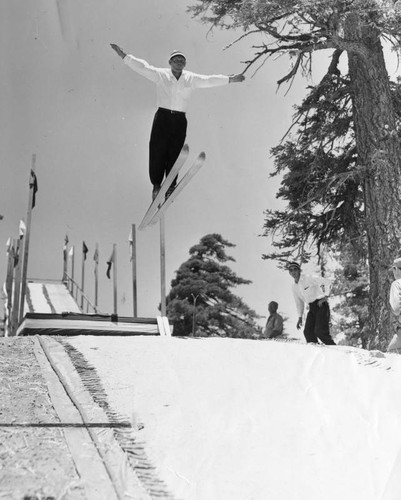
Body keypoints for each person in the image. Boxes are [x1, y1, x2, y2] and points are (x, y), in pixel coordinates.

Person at [110, 44, 245, 200]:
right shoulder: (161, 75)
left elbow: (208, 80)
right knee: (158, 150)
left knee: (175, 152)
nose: (179, 62)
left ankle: (170, 186)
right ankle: (156, 185)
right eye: (176, 60)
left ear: (185, 64)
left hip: (179, 120)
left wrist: (230, 79)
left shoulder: (190, 78)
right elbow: (143, 68)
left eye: (182, 60)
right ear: (170, 62)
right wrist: (124, 56)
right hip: (163, 117)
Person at [288, 261, 336, 345]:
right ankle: (317, 351)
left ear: (299, 270)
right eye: (291, 270)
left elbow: (327, 282)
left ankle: (336, 351)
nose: (293, 272)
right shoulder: (294, 286)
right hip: (312, 307)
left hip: (321, 305)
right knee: (308, 332)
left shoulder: (308, 278)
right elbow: (299, 302)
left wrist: (325, 297)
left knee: (320, 332)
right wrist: (300, 317)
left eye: (295, 269)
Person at [387, 257, 401, 353]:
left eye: (393, 269)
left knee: (391, 352)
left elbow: (396, 309)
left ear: (396, 269)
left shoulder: (396, 284)